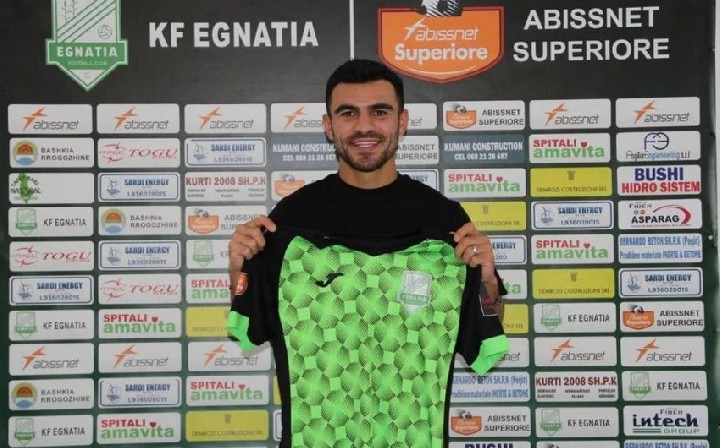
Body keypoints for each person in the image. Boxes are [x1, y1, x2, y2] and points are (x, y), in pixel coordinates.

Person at [226, 58, 508, 447]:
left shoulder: (443, 221)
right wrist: (238, 267)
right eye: (348, 113)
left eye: (379, 112)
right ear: (328, 126)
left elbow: (484, 335)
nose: (364, 126)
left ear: (402, 122)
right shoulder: (290, 222)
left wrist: (487, 278)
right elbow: (252, 327)